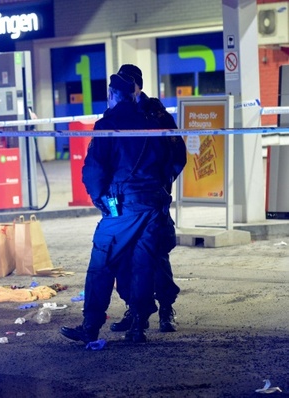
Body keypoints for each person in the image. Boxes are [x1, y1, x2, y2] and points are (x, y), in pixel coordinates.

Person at [59, 73, 178, 344]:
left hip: (123, 206)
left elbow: (94, 170)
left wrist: (100, 198)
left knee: (101, 263)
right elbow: (171, 158)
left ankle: (90, 326)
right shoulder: (152, 121)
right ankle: (138, 327)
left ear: (113, 95)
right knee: (143, 264)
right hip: (152, 204)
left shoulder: (108, 124)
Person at [109, 64, 187, 333]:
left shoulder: (156, 112)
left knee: (156, 254)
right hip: (124, 199)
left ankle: (166, 309)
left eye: (126, 82)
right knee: (124, 256)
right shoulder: (117, 112)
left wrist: (162, 184)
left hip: (153, 198)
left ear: (137, 85)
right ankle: (135, 310)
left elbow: (178, 154)